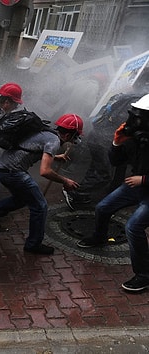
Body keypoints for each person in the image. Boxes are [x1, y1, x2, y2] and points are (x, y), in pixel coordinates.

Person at [0, 113, 84, 255]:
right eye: (75, 136)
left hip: (2, 168)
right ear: (69, 135)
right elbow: (45, 171)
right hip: (13, 172)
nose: (74, 140)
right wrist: (65, 180)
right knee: (40, 206)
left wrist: (56, 157)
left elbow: (32, 149)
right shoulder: (54, 141)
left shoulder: (45, 132)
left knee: (21, 200)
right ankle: (33, 244)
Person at [76, 94, 149, 292]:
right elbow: (116, 161)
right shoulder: (137, 138)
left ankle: (144, 275)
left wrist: (144, 179)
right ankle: (100, 237)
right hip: (136, 187)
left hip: (144, 188)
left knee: (134, 227)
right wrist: (117, 143)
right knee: (103, 207)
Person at [62, 92, 145, 209]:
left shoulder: (131, 98)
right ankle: (75, 194)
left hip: (98, 136)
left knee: (99, 169)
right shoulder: (140, 107)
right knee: (103, 174)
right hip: (104, 141)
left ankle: (103, 193)